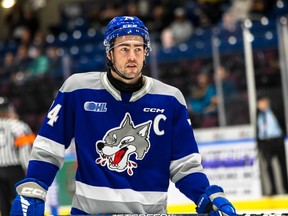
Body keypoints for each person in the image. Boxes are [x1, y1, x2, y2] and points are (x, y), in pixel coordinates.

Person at [10, 16, 237, 215]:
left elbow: (184, 165)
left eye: (138, 49)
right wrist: (34, 189)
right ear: (110, 53)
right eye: (124, 48)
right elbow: (49, 147)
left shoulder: (170, 99)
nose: (132, 56)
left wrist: (204, 194)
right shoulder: (77, 89)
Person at [0, 97, 35, 216]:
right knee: (20, 202)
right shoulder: (18, 126)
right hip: (14, 169)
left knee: (3, 205)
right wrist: (28, 168)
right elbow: (25, 149)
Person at [256, 94, 288, 195]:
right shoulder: (258, 115)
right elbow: (257, 130)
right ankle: (273, 190)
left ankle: (286, 188)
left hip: (277, 140)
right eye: (259, 103)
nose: (261, 104)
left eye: (263, 102)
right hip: (265, 142)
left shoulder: (275, 111)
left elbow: (283, 123)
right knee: (268, 166)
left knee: (282, 165)